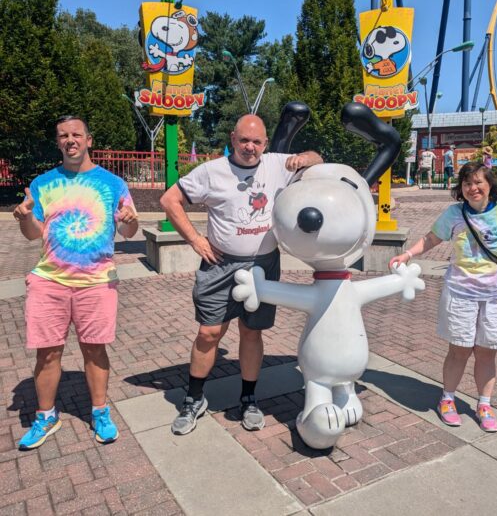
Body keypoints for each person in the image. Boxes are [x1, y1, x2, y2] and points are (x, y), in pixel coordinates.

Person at [160, 114, 323, 435]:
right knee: (209, 333)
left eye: (257, 141)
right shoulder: (212, 171)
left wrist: (307, 158)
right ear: (233, 138)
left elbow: (318, 160)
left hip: (263, 266)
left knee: (251, 332)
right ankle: (194, 398)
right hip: (221, 266)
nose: (250, 147)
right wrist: (195, 239)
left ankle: (248, 398)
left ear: (265, 143)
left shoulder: (277, 164)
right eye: (244, 140)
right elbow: (170, 199)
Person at [14, 116, 138, 450]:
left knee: (95, 350)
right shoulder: (42, 184)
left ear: (89, 140)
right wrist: (26, 216)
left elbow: (128, 231)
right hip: (49, 281)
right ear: (58, 142)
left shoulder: (113, 184)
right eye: (63, 135)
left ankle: (99, 411)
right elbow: (33, 234)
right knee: (48, 353)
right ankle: (45, 416)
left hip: (97, 282)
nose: (70, 140)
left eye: (76, 135)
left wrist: (130, 220)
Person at [389, 161, 497, 432]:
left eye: (478, 182)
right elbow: (432, 238)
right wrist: (407, 254)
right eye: (467, 183)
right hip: (460, 292)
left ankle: (485, 404)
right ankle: (447, 399)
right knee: (459, 351)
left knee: (487, 353)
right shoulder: (454, 214)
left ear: (490, 184)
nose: (473, 188)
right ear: (461, 188)